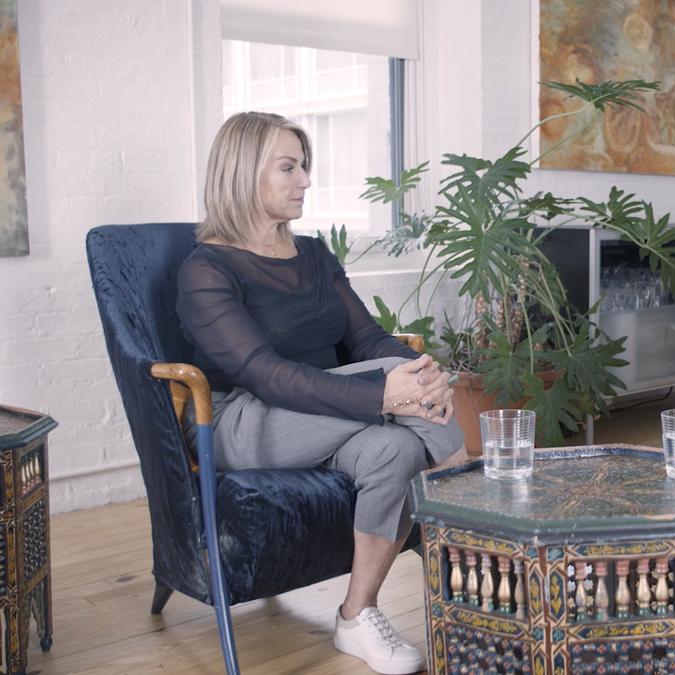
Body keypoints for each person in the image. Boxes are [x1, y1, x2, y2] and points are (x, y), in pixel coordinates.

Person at [177, 111, 464, 675]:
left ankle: (357, 616)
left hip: (332, 415)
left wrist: (422, 373)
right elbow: (264, 374)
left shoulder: (313, 255)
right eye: (289, 167)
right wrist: (385, 394)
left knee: (398, 451)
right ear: (242, 173)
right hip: (245, 421)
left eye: (304, 166)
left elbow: (367, 338)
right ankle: (487, 515)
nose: (305, 179)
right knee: (394, 396)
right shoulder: (206, 270)